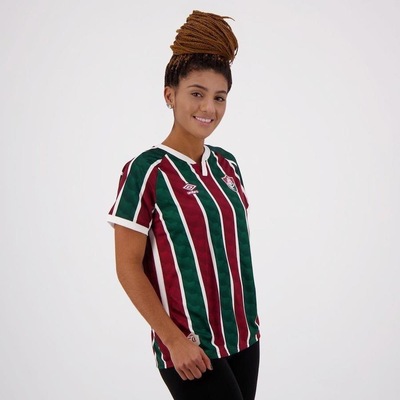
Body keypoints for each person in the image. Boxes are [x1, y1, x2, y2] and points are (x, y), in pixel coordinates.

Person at [107, 10, 261, 400]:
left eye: (219, 97)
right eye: (197, 93)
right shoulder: (146, 170)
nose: (209, 108)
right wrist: (173, 340)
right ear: (170, 95)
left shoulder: (228, 165)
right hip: (190, 349)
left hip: (244, 337)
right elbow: (127, 266)